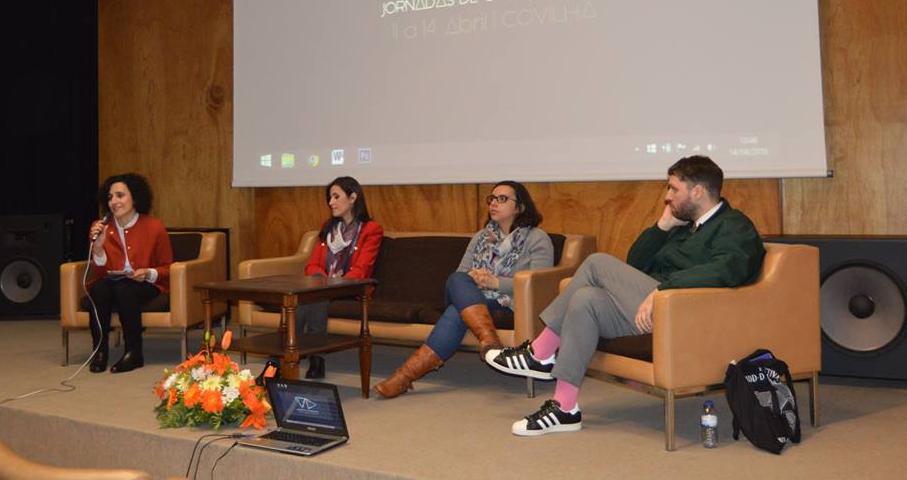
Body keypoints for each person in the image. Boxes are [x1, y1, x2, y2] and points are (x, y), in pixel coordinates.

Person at [486, 156, 765, 436]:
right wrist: (662, 228)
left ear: (698, 192)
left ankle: (540, 352)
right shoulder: (684, 227)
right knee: (585, 298)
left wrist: (662, 289)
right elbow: (636, 264)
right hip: (651, 308)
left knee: (596, 263)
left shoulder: (734, 226)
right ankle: (564, 408)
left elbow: (728, 270)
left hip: (684, 312)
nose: (667, 197)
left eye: (673, 189)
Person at [374, 180, 555, 398]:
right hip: (475, 297)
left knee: (455, 313)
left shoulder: (537, 238)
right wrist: (475, 278)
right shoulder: (481, 237)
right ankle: (490, 343)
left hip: (510, 303)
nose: (494, 204)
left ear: (521, 207)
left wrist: (496, 283)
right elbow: (461, 274)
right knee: (457, 279)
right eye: (492, 199)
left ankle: (403, 377)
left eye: (502, 199)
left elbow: (538, 284)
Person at [299, 176, 384, 379]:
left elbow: (363, 270)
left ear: (353, 197)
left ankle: (311, 358)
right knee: (302, 296)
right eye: (330, 198)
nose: (331, 203)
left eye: (336, 197)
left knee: (316, 296)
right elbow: (311, 265)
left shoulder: (370, 230)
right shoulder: (327, 228)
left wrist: (333, 284)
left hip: (351, 287)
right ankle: (283, 360)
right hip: (323, 286)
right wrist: (324, 281)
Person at [87, 173, 172, 374]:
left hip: (145, 284)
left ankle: (134, 353)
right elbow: (99, 271)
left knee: (125, 290)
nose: (114, 202)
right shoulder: (100, 228)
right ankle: (99, 352)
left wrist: (147, 273)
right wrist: (98, 248)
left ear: (135, 198)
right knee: (99, 288)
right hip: (112, 283)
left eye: (120, 195)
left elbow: (168, 268)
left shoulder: (154, 227)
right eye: (110, 197)